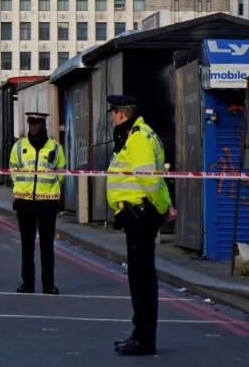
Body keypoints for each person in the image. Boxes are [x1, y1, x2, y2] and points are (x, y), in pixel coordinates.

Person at [106, 95, 176, 357]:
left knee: (142, 280)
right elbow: (158, 178)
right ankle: (139, 335)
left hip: (141, 216)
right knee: (139, 278)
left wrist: (161, 207)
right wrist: (166, 204)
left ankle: (144, 339)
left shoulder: (138, 138)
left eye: (114, 112)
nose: (112, 117)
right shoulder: (136, 135)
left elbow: (149, 181)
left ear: (122, 114)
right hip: (137, 216)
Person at [10, 111, 66, 295]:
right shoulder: (18, 147)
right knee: (27, 246)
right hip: (24, 202)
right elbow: (13, 171)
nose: (33, 126)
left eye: (37, 123)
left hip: (47, 204)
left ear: (44, 125)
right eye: (31, 123)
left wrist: (49, 191)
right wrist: (22, 187)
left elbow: (61, 173)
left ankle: (48, 285)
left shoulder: (55, 148)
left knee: (47, 247)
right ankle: (27, 283)